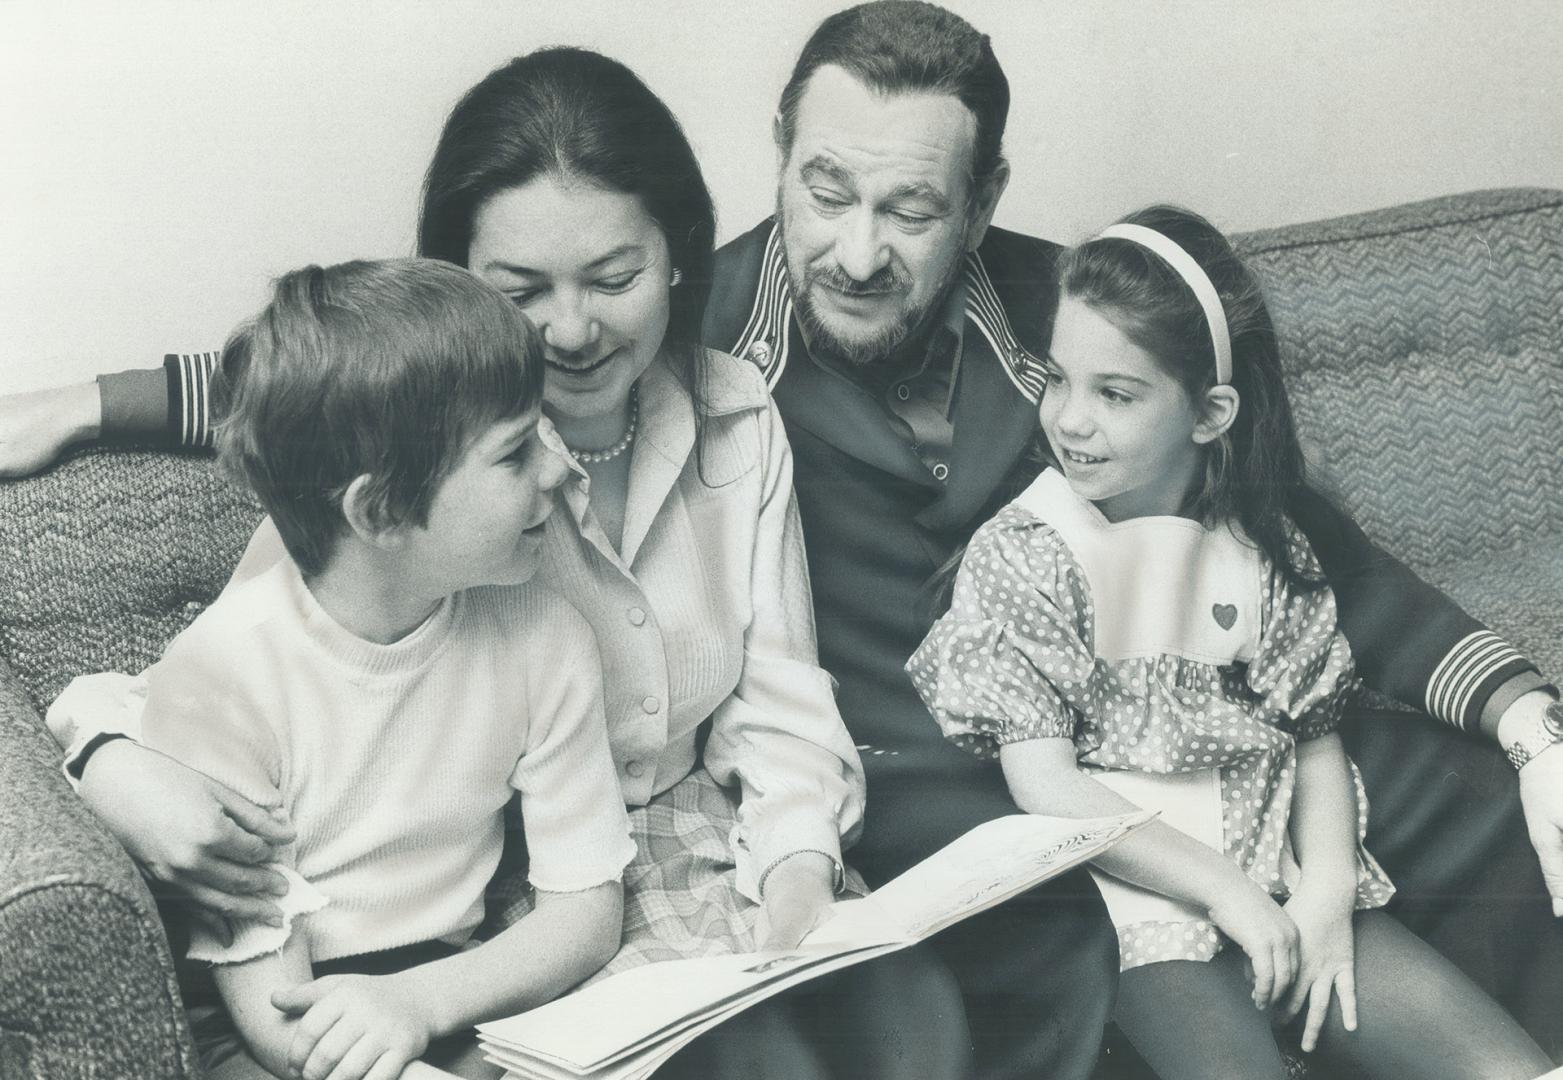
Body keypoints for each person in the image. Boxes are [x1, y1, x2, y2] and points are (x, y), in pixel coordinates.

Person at [6, 2, 1562, 1076]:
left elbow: (1269, 518)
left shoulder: (959, 340)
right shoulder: (561, 402)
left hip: (1060, 763)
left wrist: (1510, 701)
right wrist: (85, 414)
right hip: (777, 854)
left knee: (1463, 814)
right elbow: (344, 405)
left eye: (905, 208)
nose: (854, 250)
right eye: (822, 190)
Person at [37, 48, 970, 1080]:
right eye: (521, 289)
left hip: (688, 853)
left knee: (917, 1024)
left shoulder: (736, 417)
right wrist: (109, 762)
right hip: (520, 896)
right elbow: (237, 651)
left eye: (614, 278)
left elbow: (782, 699)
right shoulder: (422, 464)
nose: (571, 331)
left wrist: (801, 864)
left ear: (675, 256)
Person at [908, 206, 1553, 1080]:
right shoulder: (1024, 552)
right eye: (1058, 380)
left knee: (1508, 1069)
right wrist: (1225, 893)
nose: (1070, 421)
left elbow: (1313, 739)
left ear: (1209, 414)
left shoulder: (1262, 547)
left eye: (1115, 394)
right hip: (1137, 911)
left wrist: (1324, 895)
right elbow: (1044, 783)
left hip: (1280, 878)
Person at [49, 257, 639, 1080]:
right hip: (275, 1020)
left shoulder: (549, 640)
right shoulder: (227, 674)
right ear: (380, 511)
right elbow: (275, 1016)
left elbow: (584, 914)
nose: (559, 468)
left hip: (444, 992)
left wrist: (423, 1004)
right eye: (513, 455)